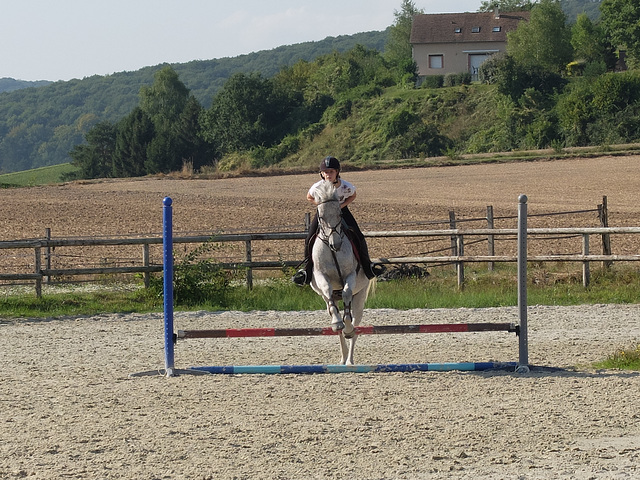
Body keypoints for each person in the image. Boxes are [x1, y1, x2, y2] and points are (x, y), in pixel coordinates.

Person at [292, 156, 385, 285]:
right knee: (309, 238)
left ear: (337, 172)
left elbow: (353, 195)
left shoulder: (346, 186)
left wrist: (341, 206)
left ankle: (368, 266)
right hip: (324, 213)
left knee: (358, 235)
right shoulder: (317, 187)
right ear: (322, 173)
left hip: (342, 212)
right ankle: (306, 272)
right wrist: (320, 205)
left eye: (331, 172)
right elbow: (309, 197)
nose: (328, 175)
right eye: (326, 172)